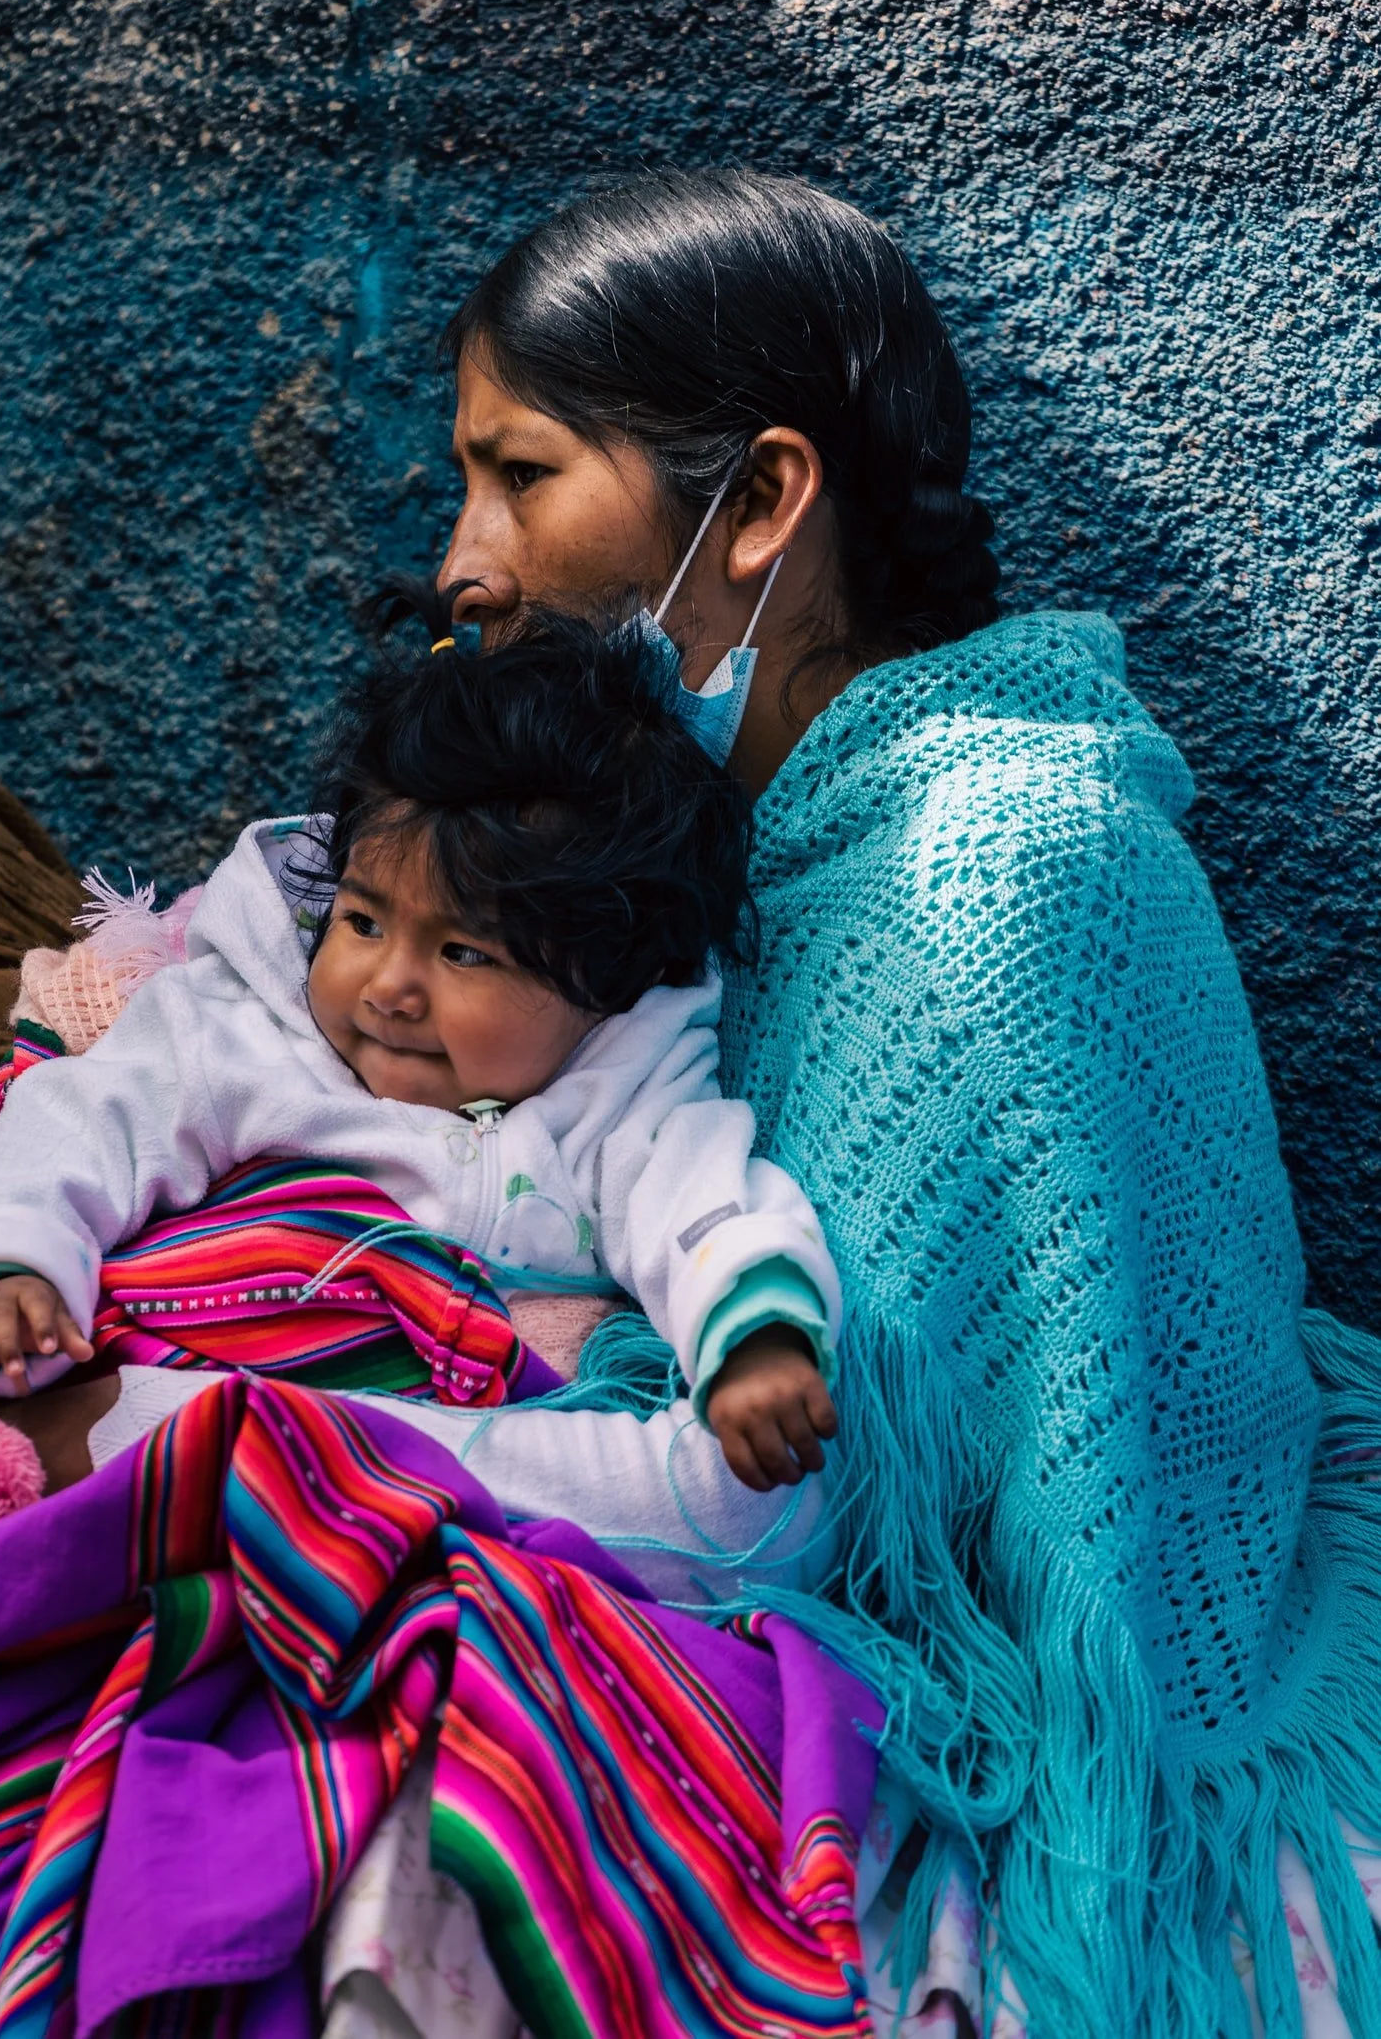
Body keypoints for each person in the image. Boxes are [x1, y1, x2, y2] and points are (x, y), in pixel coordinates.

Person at [426, 169, 1381, 2037]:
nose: (464, 561)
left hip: (1036, 1691)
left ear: (764, 500)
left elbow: (931, 1487)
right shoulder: (730, 857)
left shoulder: (1013, 872)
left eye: (521, 476)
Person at [0, 607, 843, 1520]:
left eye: (464, 953)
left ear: (606, 981)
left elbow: (711, 1208)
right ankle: (209, 1459)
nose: (389, 986)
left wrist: (754, 1339)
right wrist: (11, 1267)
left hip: (415, 1442)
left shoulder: (621, 1099)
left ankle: (241, 1466)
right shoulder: (244, 1028)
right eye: (362, 922)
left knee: (763, 1503)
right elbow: (81, 1121)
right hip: (205, 1364)